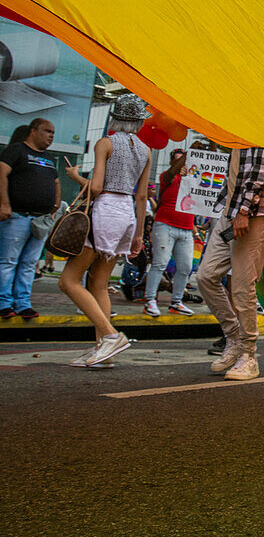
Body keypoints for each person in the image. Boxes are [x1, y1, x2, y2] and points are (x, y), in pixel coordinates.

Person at [58, 95, 151, 367]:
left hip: (105, 209)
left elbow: (96, 187)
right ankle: (104, 351)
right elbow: (142, 196)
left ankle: (111, 337)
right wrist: (138, 235)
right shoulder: (145, 150)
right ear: (138, 122)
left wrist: (75, 176)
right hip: (126, 214)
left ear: (115, 117)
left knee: (69, 281)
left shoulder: (105, 143)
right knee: (98, 283)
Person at [197, 146, 264, 380]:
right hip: (229, 212)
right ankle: (233, 337)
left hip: (253, 213)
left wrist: (244, 210)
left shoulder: (260, 127)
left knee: (243, 286)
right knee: (206, 275)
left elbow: (261, 170)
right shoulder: (235, 131)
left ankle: (248, 355)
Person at [0, 118, 59, 319]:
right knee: (8, 261)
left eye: (53, 132)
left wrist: (55, 206)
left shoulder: (49, 158)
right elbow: (2, 174)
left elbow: (56, 181)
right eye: (47, 131)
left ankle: (23, 303)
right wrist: (5, 204)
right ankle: (4, 303)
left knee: (29, 263)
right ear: (33, 131)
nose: (51, 135)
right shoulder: (16, 151)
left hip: (39, 219)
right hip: (17, 216)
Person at [142, 148, 196, 317]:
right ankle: (150, 300)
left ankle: (176, 302)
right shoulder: (167, 176)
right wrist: (190, 153)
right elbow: (172, 172)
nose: (182, 164)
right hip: (166, 225)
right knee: (160, 263)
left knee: (185, 267)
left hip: (186, 228)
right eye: (178, 160)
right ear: (173, 162)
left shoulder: (193, 180)